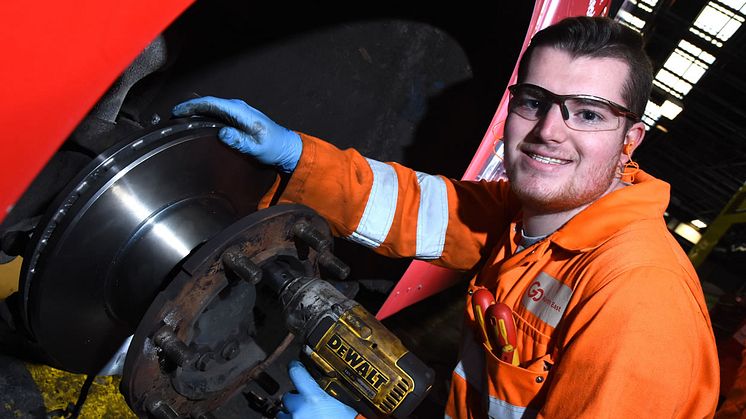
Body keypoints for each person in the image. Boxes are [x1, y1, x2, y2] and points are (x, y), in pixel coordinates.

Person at [172, 16, 719, 418]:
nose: (549, 130)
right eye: (533, 101)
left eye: (588, 113)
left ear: (630, 142)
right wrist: (297, 155)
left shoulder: (637, 300)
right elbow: (419, 206)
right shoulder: (529, 218)